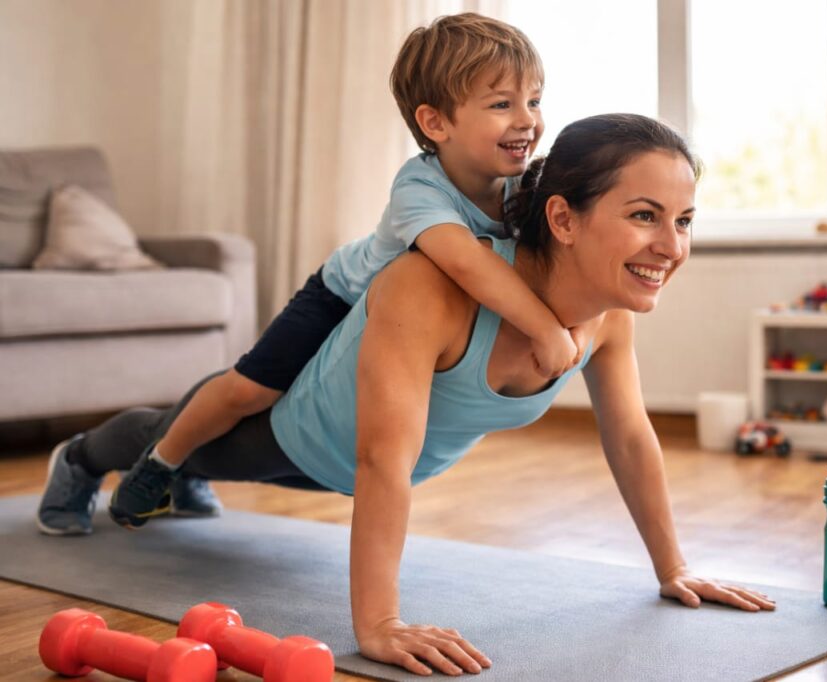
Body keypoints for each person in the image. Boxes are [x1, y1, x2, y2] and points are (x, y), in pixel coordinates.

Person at [37, 114, 776, 677]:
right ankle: (79, 458)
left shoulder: (606, 318)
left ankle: (185, 471)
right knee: (187, 436)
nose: (671, 247)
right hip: (307, 433)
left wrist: (671, 569)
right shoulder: (432, 286)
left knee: (202, 458)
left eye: (683, 221)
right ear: (563, 217)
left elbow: (630, 438)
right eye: (645, 216)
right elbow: (381, 457)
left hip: (366, 460)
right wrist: (379, 624)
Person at [104, 12, 582, 529]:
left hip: (393, 322)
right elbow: (466, 263)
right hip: (342, 297)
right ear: (435, 122)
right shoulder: (418, 190)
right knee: (252, 392)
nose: (527, 120)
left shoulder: (522, 188)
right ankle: (161, 462)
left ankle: (190, 472)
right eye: (501, 104)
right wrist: (544, 327)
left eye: (533, 101)